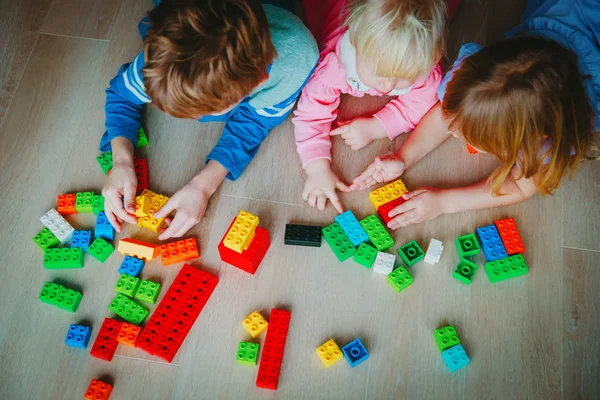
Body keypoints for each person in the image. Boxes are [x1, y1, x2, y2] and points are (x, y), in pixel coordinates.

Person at [351, 0, 599, 229]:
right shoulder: (472, 80)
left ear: (522, 142)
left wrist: (444, 202)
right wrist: (403, 157)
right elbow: (444, 116)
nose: (454, 131)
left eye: (471, 137)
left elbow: (521, 187)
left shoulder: (549, 142)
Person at [100, 0, 318, 239]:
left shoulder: (293, 62)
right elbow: (121, 96)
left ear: (258, 82)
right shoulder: (163, 59)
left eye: (208, 111)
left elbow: (255, 122)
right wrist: (120, 160)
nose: (195, 119)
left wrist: (205, 183)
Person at [293, 0, 453, 213]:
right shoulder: (335, 65)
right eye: (378, 73)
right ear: (356, 45)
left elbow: (420, 103)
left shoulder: (424, 70)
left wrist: (376, 127)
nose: (387, 86)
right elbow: (310, 113)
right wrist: (316, 168)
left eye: (404, 78)